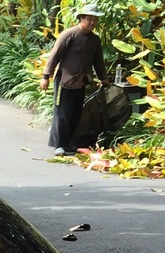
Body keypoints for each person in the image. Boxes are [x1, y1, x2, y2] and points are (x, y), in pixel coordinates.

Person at [40, 6, 110, 155]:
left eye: (95, 20)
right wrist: (46, 76)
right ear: (81, 18)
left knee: (76, 113)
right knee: (62, 113)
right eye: (89, 19)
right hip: (64, 81)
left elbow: (98, 62)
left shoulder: (95, 40)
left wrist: (104, 79)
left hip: (81, 82)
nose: (92, 22)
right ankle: (59, 145)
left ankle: (68, 144)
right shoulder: (69, 35)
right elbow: (55, 56)